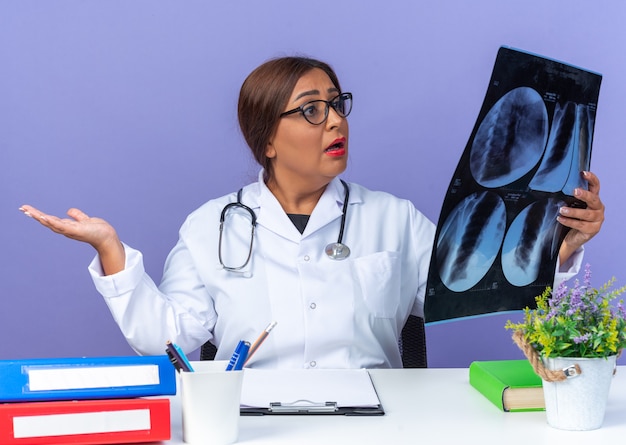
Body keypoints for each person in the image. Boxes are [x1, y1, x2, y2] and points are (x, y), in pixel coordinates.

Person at [19, 57, 605, 369]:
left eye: (337, 104)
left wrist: (562, 247)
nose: (335, 121)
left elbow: (465, 289)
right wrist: (110, 251)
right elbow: (164, 337)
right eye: (310, 110)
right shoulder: (209, 226)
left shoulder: (392, 217)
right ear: (265, 140)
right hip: (253, 424)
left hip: (379, 421)